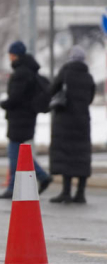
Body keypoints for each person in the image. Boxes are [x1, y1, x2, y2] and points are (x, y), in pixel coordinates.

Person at [0, 41, 52, 199]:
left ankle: (15, 186)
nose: (9, 58)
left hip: (20, 117)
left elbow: (16, 97)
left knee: (15, 153)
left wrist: (4, 104)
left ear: (15, 55)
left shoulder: (21, 73)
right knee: (20, 153)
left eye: (10, 54)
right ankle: (41, 177)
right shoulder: (30, 71)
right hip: (26, 116)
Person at [48, 46, 96, 204]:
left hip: (65, 121)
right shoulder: (88, 77)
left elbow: (53, 89)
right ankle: (80, 193)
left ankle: (66, 192)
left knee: (66, 155)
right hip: (82, 121)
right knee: (81, 156)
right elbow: (90, 98)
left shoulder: (66, 72)